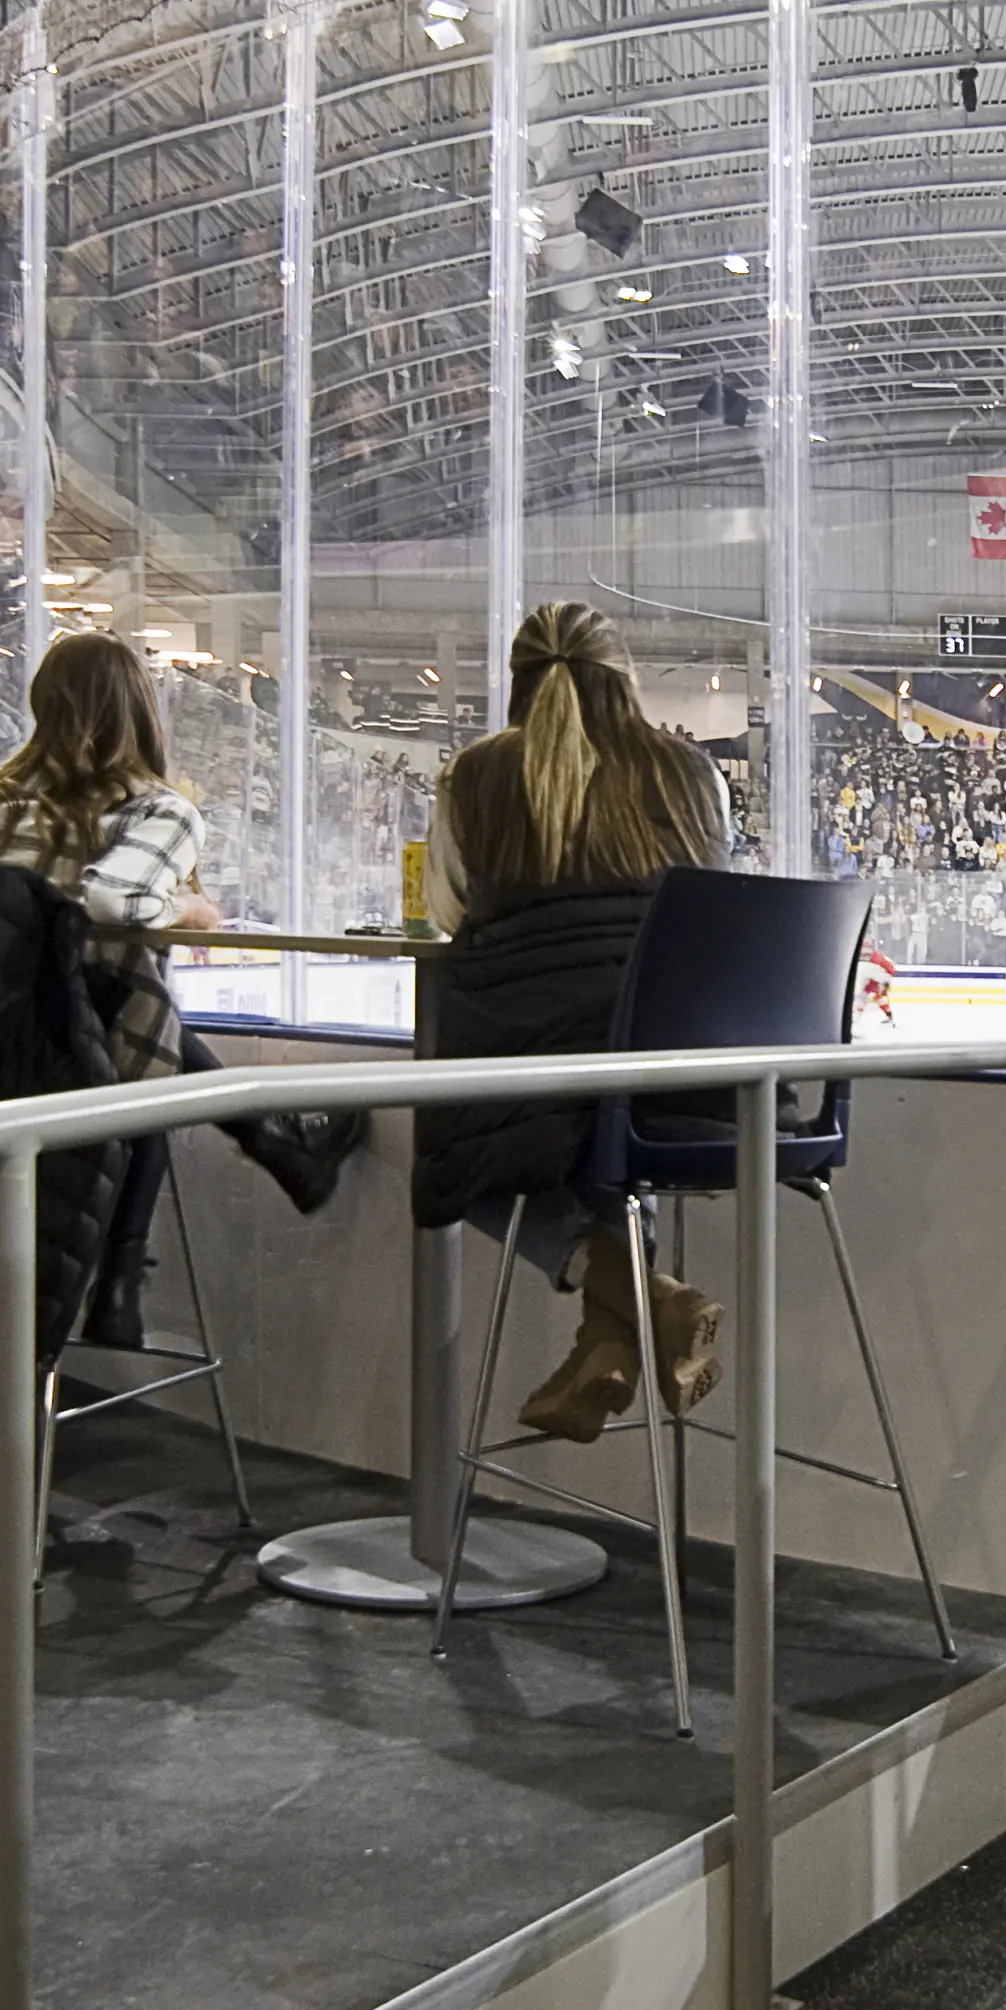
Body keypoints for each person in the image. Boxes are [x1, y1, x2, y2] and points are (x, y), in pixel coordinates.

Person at [0, 635, 363, 1345]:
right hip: (80, 1066)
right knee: (139, 1032)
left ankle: (265, 1151)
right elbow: (115, 902)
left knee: (134, 1022)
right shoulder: (154, 810)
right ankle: (127, 1276)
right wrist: (189, 911)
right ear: (141, 710)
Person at [413, 600, 731, 1445]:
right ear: (622, 677)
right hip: (684, 1081)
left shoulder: (473, 776)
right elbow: (715, 903)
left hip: (532, 1069)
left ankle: (623, 1301)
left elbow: (450, 912)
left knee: (449, 1158)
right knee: (616, 1138)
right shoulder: (693, 774)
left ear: (517, 685)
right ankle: (629, 1319)